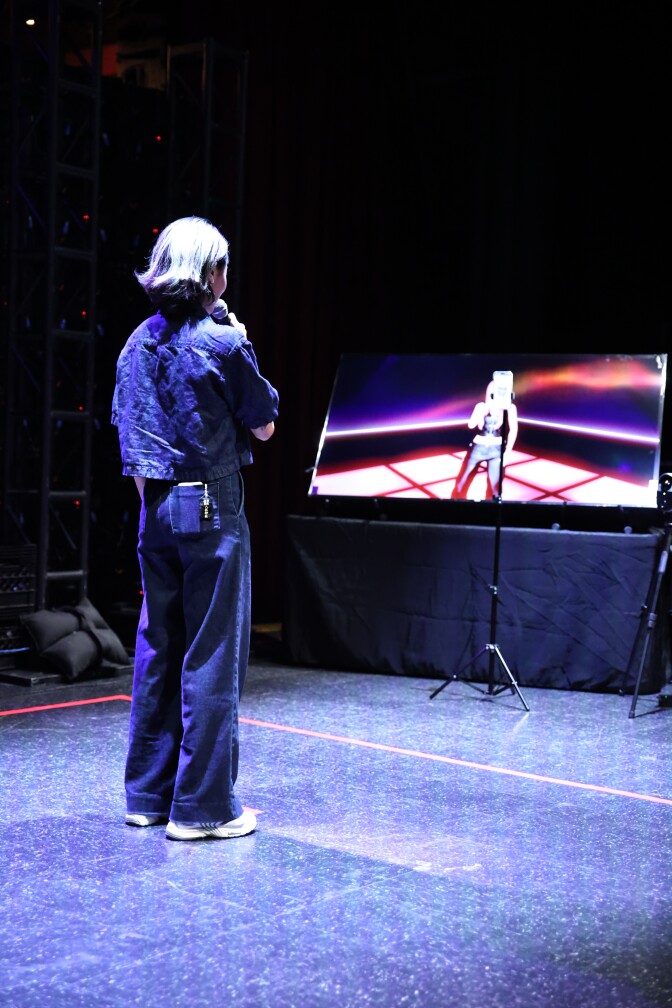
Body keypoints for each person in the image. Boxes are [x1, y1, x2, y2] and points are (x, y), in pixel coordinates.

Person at [111, 216, 279, 841]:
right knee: (212, 651)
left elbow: (130, 443)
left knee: (159, 645)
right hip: (211, 506)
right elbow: (264, 425)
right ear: (212, 274)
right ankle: (205, 808)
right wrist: (240, 334)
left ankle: (148, 796)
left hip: (154, 507)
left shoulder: (135, 344)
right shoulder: (224, 342)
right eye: (224, 267)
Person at [452, 370, 518, 500]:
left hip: (497, 449)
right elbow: (471, 425)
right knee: (462, 483)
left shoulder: (510, 408)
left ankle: (491, 516)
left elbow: (514, 430)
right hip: (478, 447)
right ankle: (456, 511)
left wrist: (508, 452)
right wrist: (479, 412)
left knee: (495, 489)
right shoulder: (482, 406)